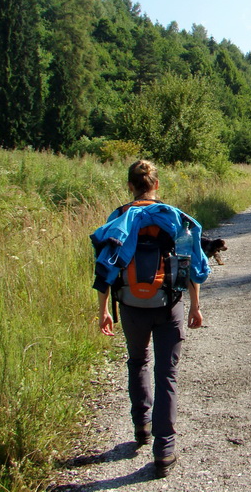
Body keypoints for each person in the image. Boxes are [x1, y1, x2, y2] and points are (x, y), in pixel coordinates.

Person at [91, 160, 209, 479]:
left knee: (137, 362)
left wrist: (104, 310)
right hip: (168, 304)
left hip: (130, 307)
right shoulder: (172, 217)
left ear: (130, 185)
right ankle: (164, 450)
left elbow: (106, 267)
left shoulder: (119, 217)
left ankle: (141, 427)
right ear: (157, 185)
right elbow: (189, 264)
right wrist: (195, 306)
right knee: (166, 372)